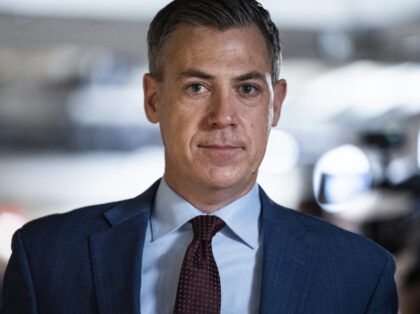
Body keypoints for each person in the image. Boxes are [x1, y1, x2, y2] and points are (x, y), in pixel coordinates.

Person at [0, 0, 398, 313]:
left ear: (275, 105)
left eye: (247, 90)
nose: (223, 116)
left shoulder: (359, 274)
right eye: (196, 88)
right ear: (153, 99)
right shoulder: (47, 256)